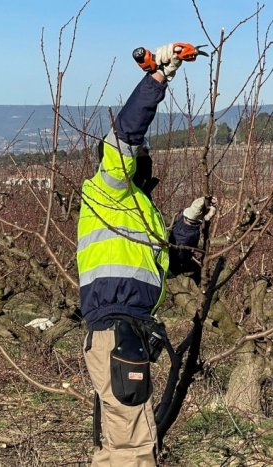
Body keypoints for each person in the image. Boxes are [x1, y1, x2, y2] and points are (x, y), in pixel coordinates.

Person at [76, 43, 215, 466]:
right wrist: (159, 76)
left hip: (129, 330)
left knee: (122, 440)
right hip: (117, 328)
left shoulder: (140, 212)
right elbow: (126, 134)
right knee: (132, 446)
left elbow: (168, 262)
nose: (143, 161)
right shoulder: (107, 191)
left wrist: (188, 224)